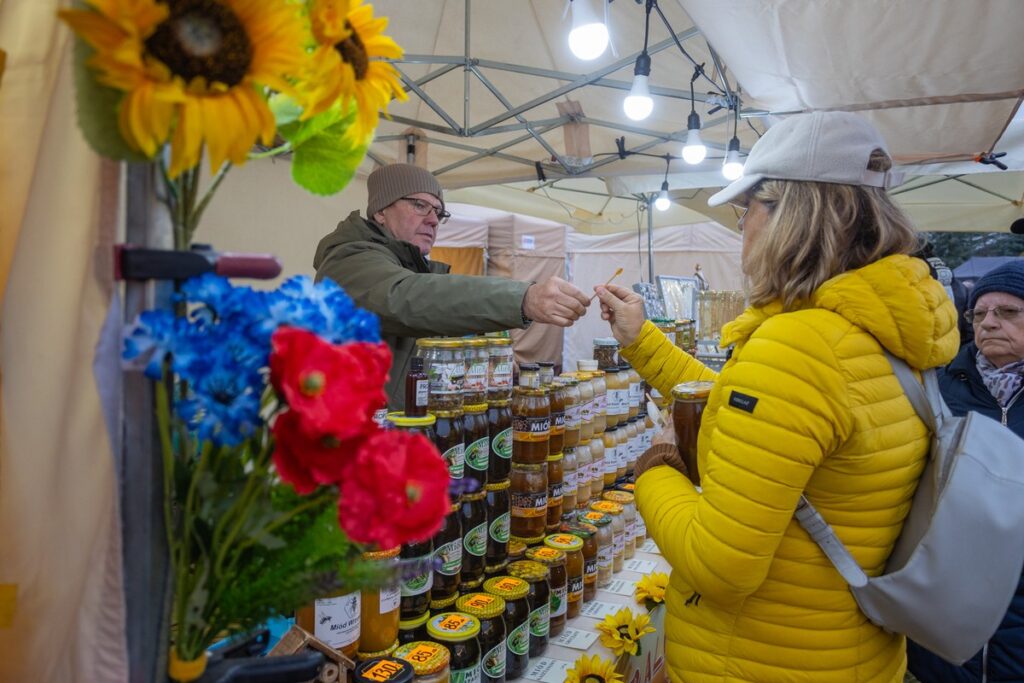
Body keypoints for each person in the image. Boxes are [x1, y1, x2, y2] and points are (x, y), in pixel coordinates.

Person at [594, 111, 960, 682]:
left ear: (789, 212)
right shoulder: (868, 331)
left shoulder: (799, 346)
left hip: (758, 661)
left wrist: (654, 466)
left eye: (746, 211)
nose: (741, 228)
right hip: (848, 652)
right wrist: (641, 341)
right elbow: (764, 416)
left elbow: (720, 566)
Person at [313, 163, 590, 409]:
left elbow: (433, 319)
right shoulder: (349, 260)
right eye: (420, 205)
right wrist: (524, 298)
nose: (433, 220)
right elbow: (407, 299)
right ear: (382, 211)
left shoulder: (409, 266)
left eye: (439, 212)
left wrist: (489, 352)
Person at [907, 259, 1024, 682]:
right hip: (948, 608)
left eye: (1008, 312)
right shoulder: (938, 385)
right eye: (979, 313)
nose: (989, 323)